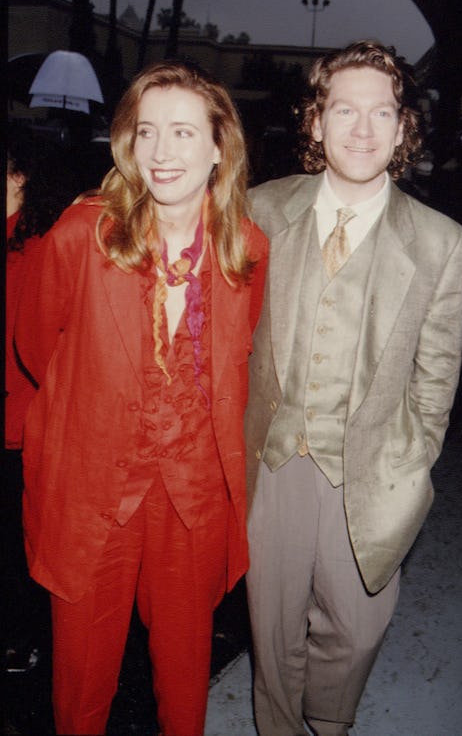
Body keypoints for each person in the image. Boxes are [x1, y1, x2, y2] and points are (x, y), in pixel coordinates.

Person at [15, 61, 268, 736]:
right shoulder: (79, 235)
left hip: (191, 495)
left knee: (184, 673)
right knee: (80, 680)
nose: (161, 153)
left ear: (219, 146)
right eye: (145, 131)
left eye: (183, 133)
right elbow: (39, 350)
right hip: (95, 483)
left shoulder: (245, 248)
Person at [244, 40, 462, 736]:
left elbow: (438, 373)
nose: (363, 129)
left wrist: (414, 459)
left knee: (357, 626)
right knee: (272, 624)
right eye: (344, 109)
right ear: (315, 122)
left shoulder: (443, 243)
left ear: (404, 128)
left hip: (370, 466)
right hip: (272, 459)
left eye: (382, 113)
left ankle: (330, 719)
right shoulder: (258, 211)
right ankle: (279, 725)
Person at [3, 128, 77, 672]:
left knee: (21, 542)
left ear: (18, 176)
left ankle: (23, 638)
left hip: (25, 423)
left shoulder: (40, 244)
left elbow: (40, 341)